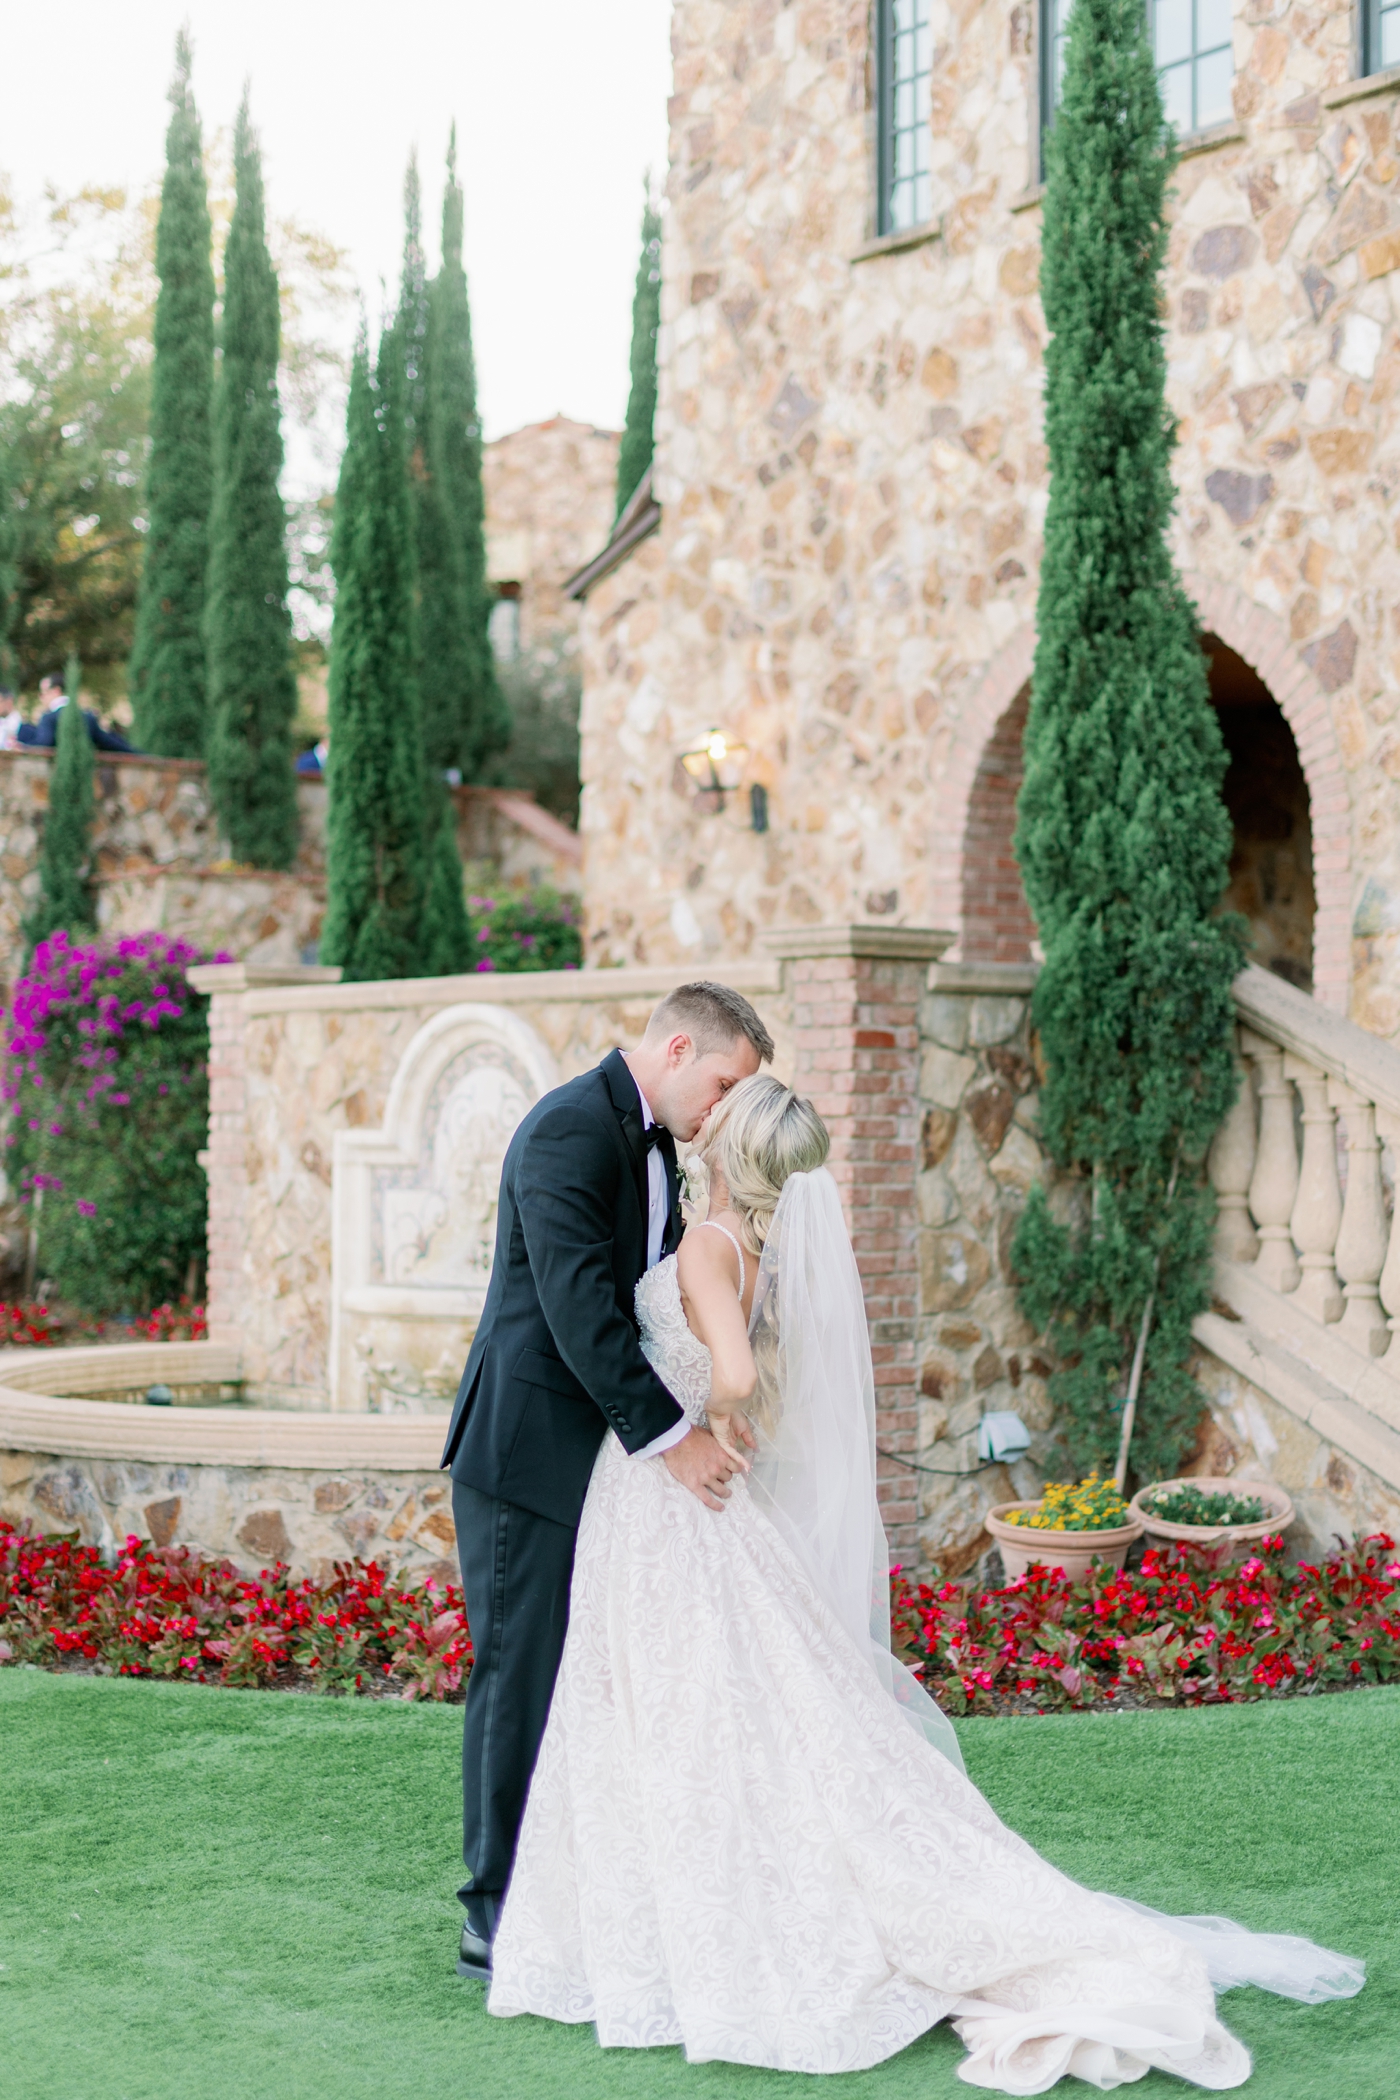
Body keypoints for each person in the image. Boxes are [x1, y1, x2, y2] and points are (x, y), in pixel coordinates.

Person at [485, 1072, 1365, 2092]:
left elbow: (734, 1371)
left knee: (675, 1703)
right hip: (668, 1498)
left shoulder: (704, 1249)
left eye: (720, 1112)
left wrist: (706, 1409)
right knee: (710, 1703)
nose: (705, 1118)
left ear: (730, 1152)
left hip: (665, 1496)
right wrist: (719, 1409)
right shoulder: (747, 1247)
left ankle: (692, 1924)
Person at [440, 982, 773, 1980]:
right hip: (527, 1456)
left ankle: (575, 1887)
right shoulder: (567, 1132)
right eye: (722, 1083)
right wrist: (675, 1438)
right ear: (677, 1050)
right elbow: (579, 1312)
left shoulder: (659, 1145)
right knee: (519, 1672)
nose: (722, 1108)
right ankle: (493, 1910)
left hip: (601, 1465)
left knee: (590, 1677)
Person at [17, 672, 136, 753]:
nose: (41, 698)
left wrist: (21, 747)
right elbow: (109, 742)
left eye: (43, 693)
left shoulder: (49, 717)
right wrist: (138, 753)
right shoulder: (88, 716)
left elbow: (42, 745)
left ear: (56, 691)